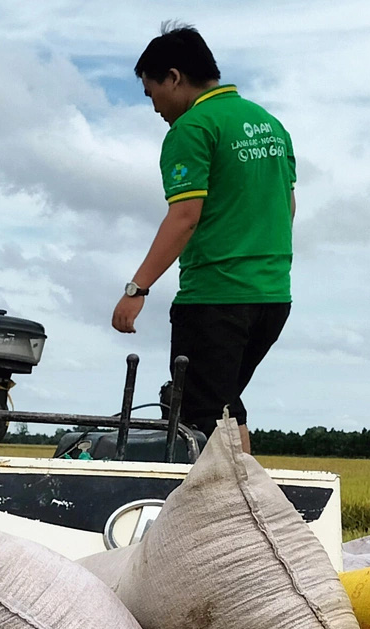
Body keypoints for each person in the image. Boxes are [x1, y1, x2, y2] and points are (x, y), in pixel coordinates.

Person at [111, 23, 296, 453]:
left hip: (216, 297)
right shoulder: (268, 124)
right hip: (273, 298)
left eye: (151, 91)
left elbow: (184, 216)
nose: (153, 105)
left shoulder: (192, 129)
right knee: (223, 405)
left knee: (199, 414)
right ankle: (247, 501)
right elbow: (287, 208)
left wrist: (137, 288)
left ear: (174, 77)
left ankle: (230, 513)